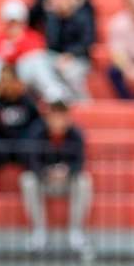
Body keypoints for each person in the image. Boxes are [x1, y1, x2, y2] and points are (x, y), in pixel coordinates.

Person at [20, 100, 92, 251]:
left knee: (84, 181)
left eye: (62, 115)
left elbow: (80, 162)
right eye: (55, 115)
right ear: (48, 117)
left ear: (68, 117)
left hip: (67, 181)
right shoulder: (36, 133)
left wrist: (67, 171)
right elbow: (31, 161)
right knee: (27, 180)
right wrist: (47, 172)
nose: (58, 120)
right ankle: (39, 232)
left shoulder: (76, 134)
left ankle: (76, 231)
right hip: (44, 181)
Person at [0, 0, 71, 102]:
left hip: (27, 80)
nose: (14, 26)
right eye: (11, 22)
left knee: (36, 60)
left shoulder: (33, 37)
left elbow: (35, 57)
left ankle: (53, 93)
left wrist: (14, 50)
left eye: (16, 22)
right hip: (5, 80)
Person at [0, 65, 42, 193]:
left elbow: (38, 126)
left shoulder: (28, 102)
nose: (6, 85)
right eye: (3, 81)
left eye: (9, 80)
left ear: (17, 82)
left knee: (34, 149)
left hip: (21, 147)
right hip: (2, 147)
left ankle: (36, 187)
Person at [44, 0, 95, 101]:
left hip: (78, 58)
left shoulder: (83, 16)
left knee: (70, 72)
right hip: (56, 57)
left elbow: (87, 42)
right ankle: (57, 97)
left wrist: (70, 55)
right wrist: (55, 17)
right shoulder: (53, 17)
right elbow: (51, 42)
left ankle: (82, 101)